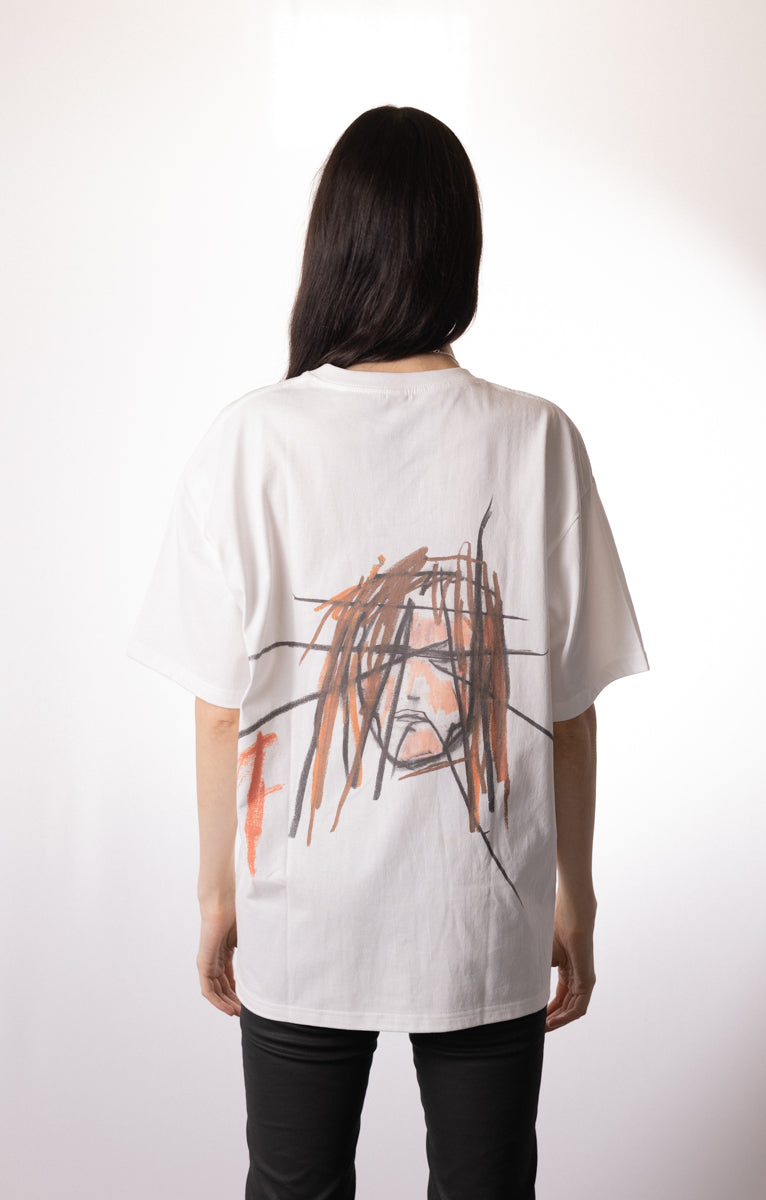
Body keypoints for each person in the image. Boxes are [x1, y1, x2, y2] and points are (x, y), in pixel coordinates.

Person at [127, 104, 649, 1200]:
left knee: (292, 1185)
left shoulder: (253, 437)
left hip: (302, 920)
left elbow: (220, 708)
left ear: (332, 248)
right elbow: (567, 713)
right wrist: (577, 895)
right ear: (461, 251)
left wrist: (217, 895)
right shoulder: (536, 438)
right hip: (483, 919)